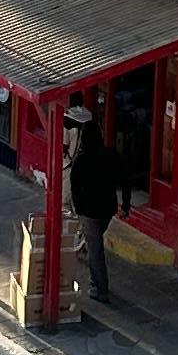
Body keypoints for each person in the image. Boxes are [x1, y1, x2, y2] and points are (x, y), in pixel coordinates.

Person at [66, 109, 122, 305]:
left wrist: (78, 210)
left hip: (89, 212)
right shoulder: (111, 155)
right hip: (107, 210)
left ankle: (101, 289)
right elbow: (124, 179)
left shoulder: (81, 161)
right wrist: (127, 204)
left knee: (95, 250)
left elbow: (74, 187)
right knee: (94, 244)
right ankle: (94, 281)